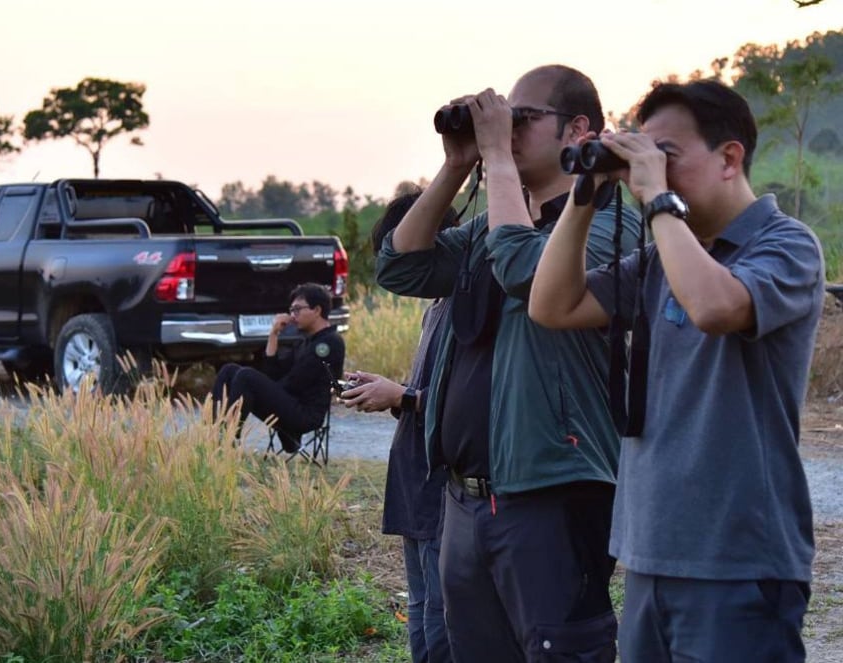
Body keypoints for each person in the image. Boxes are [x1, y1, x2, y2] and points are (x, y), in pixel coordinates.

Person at [528, 79, 822, 662]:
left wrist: (659, 201)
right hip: (650, 553)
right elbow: (551, 306)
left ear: (729, 158)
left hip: (739, 561)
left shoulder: (788, 245)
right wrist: (583, 195)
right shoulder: (667, 253)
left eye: (666, 156)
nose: (648, 173)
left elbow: (715, 307)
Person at [376, 64, 641, 662]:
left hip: (551, 492)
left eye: (523, 119)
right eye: (504, 120)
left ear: (577, 131)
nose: (508, 131)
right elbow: (401, 266)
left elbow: (526, 270)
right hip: (467, 499)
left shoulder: (609, 227)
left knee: (559, 650)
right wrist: (456, 164)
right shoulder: (485, 227)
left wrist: (495, 157)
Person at [341, 191, 457, 663]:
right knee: (419, 608)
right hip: (415, 482)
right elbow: (430, 392)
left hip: (441, 485)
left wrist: (404, 395)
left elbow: (478, 408)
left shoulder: (470, 310)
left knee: (439, 615)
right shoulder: (436, 308)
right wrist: (393, 392)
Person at [211, 282, 345, 451]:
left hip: (304, 414)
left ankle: (226, 442)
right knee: (229, 371)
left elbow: (294, 384)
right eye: (291, 310)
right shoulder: (305, 341)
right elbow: (273, 373)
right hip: (291, 403)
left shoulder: (328, 343)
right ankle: (213, 434)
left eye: (297, 309)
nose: (292, 315)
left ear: (317, 310)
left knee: (246, 377)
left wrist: (261, 389)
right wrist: (273, 334)